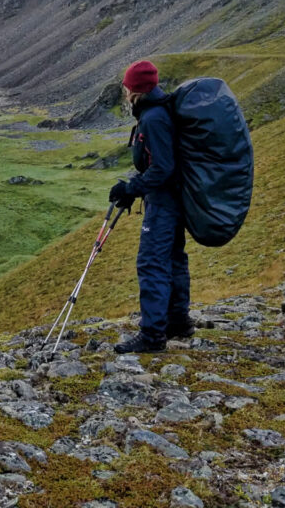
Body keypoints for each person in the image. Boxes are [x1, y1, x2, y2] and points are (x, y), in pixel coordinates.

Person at [108, 60, 194, 353]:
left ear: (136, 90)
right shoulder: (159, 112)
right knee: (172, 259)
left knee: (152, 263)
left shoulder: (153, 118)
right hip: (174, 199)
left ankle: (153, 335)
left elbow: (163, 168)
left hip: (164, 204)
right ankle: (178, 323)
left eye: (127, 86)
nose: (125, 90)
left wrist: (132, 188)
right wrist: (135, 188)